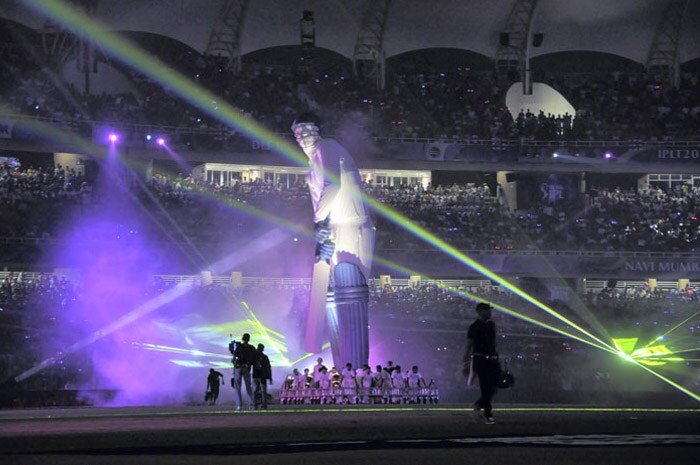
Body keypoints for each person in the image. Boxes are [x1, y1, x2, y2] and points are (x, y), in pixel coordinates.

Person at [291, 112, 375, 370]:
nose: (302, 136)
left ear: (319, 129)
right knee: (331, 297)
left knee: (350, 293)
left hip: (352, 227)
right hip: (335, 228)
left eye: (307, 129)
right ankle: (343, 368)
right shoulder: (313, 163)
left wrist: (320, 223)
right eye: (297, 132)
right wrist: (323, 229)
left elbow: (333, 185)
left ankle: (357, 372)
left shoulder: (328, 147)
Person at [465, 302, 499, 424]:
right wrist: (466, 363)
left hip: (492, 359)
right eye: (487, 310)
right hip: (480, 359)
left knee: (495, 385)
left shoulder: (491, 325)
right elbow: (469, 346)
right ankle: (488, 414)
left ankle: (478, 404)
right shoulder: (474, 327)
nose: (489, 312)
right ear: (480, 312)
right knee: (486, 387)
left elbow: (493, 343)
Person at [232, 333, 257, 411]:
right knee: (248, 387)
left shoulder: (239, 346)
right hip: (246, 368)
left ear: (243, 338)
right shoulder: (251, 348)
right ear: (248, 339)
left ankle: (239, 405)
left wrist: (235, 363)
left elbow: (234, 356)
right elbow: (254, 358)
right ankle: (251, 405)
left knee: (237, 387)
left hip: (238, 367)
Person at [252, 343, 272, 410]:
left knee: (255, 391)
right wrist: (269, 377)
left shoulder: (254, 356)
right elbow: (268, 367)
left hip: (256, 376)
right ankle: (263, 405)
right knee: (263, 391)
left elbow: (268, 367)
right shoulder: (264, 357)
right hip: (261, 376)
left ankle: (255, 405)